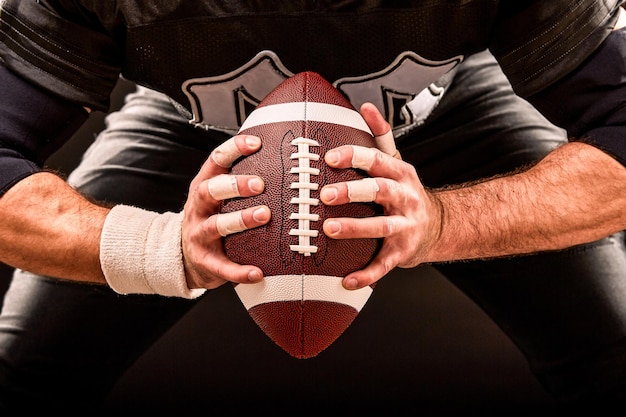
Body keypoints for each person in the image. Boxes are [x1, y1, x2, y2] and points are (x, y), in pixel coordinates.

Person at [0, 0, 625, 413]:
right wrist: (157, 248)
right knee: (25, 370)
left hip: (445, 111)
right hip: (207, 138)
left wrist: (446, 222)